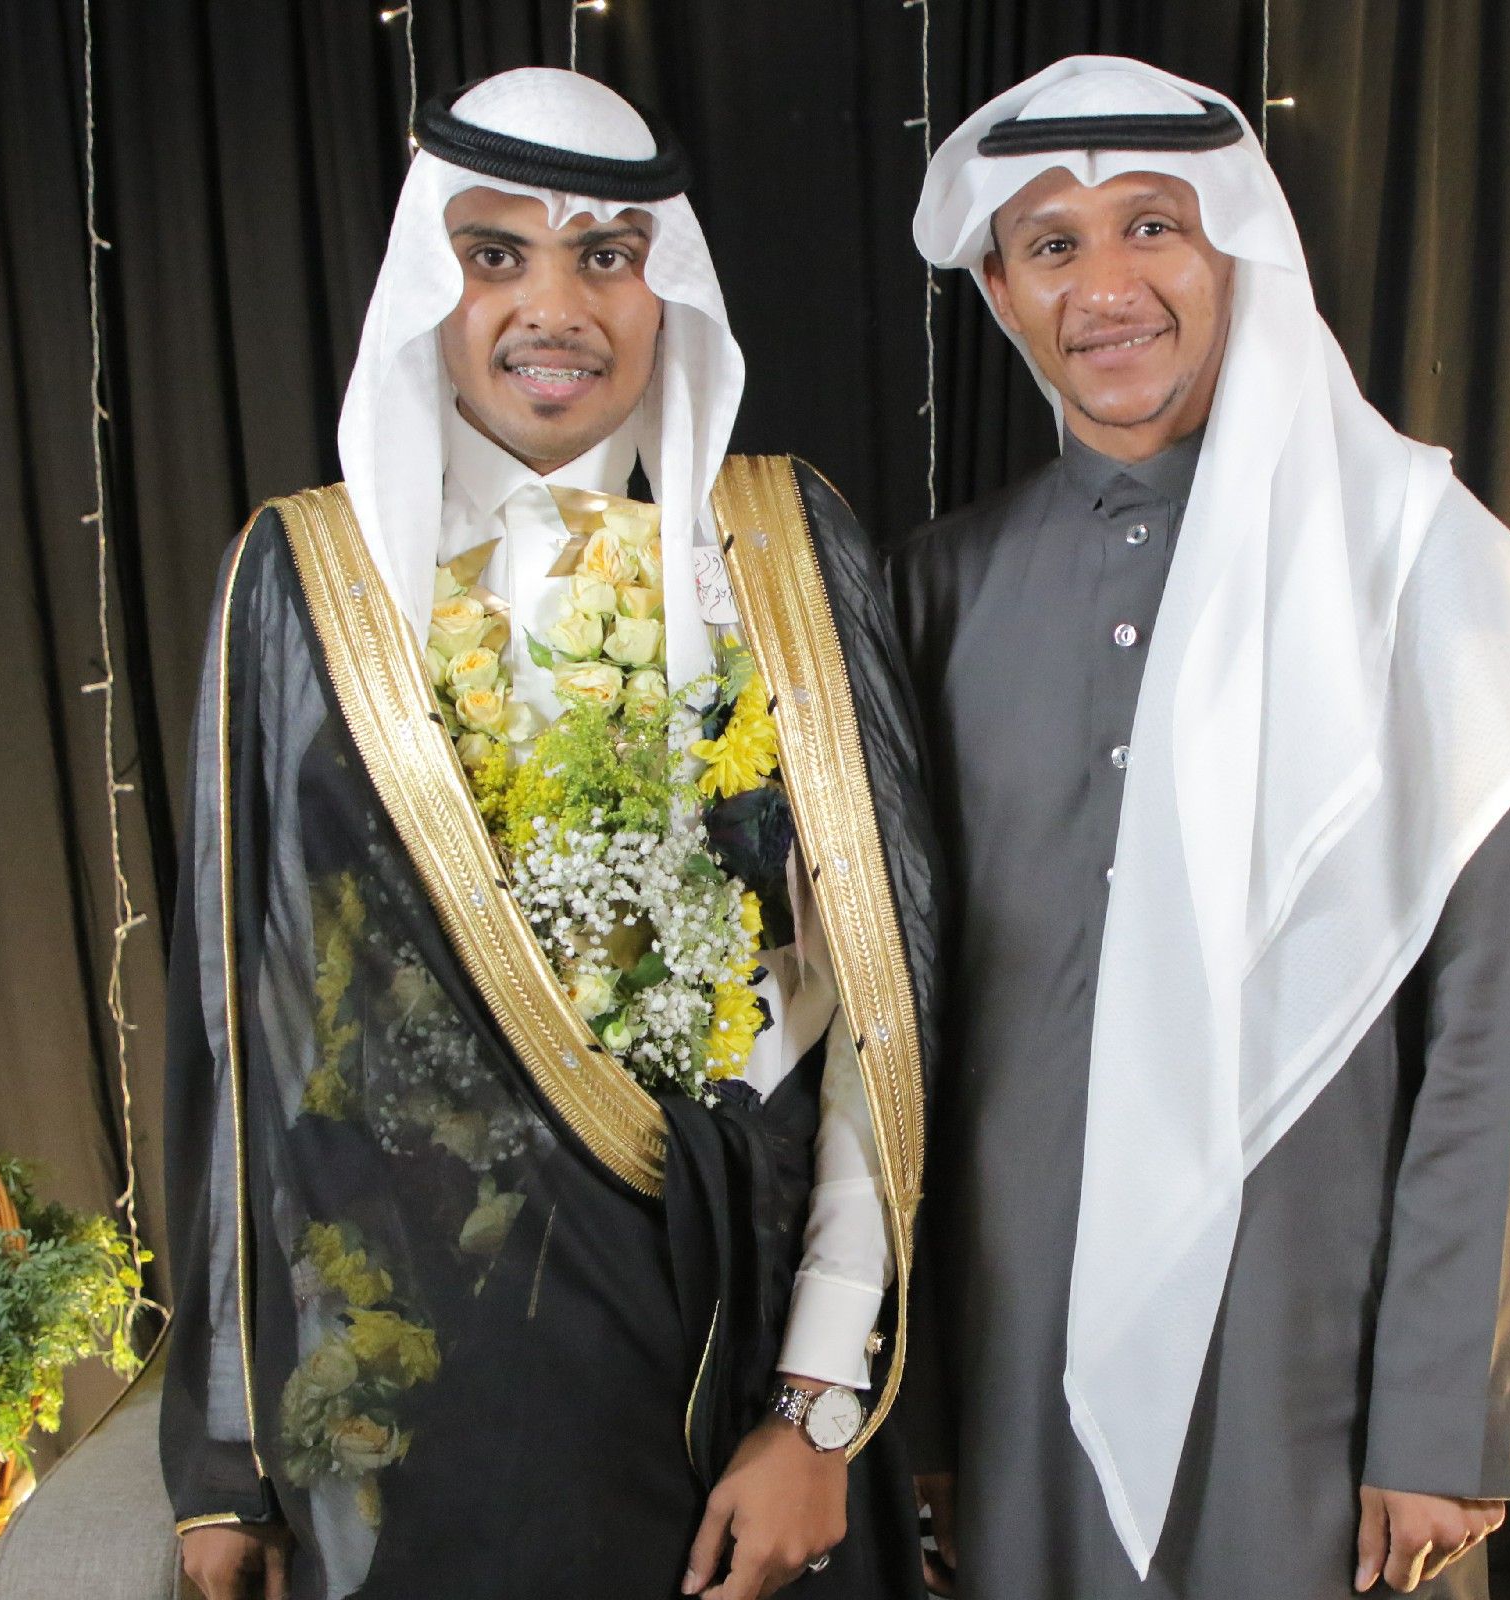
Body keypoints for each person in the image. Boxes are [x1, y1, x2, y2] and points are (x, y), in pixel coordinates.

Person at [159, 68, 937, 1600]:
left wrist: (816, 1404)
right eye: (495, 254)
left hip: (739, 1353)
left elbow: (878, 1012)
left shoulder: (782, 550)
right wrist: (226, 1459)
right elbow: (240, 1029)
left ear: (666, 286)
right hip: (426, 1401)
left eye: (606, 255)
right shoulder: (304, 583)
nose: (555, 309)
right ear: (426, 283)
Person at [892, 57, 1510, 1600]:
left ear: (1239, 250)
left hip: (1314, 1356)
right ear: (1003, 292)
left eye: (1153, 226)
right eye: (1054, 243)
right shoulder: (936, 588)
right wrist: (922, 1409)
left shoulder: (1413, 562)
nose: (1107, 287)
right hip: (1016, 1355)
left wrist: (1439, 1416)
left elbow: (1484, 1028)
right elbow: (908, 1040)